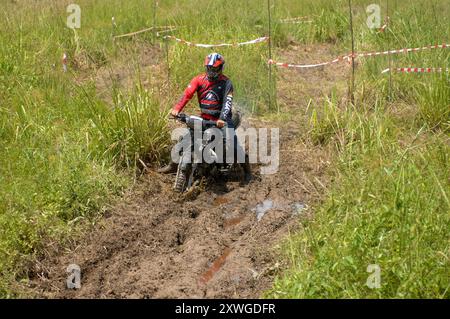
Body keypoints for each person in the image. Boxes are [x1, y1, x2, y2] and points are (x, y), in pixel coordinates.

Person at [158, 53, 251, 179]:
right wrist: (176, 109)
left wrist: (222, 119)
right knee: (184, 139)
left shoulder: (226, 83)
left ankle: (247, 171)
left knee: (232, 144)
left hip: (222, 120)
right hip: (205, 118)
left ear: (220, 68)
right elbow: (187, 94)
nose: (211, 71)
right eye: (209, 68)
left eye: (214, 69)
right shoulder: (198, 80)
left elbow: (227, 103)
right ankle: (172, 165)